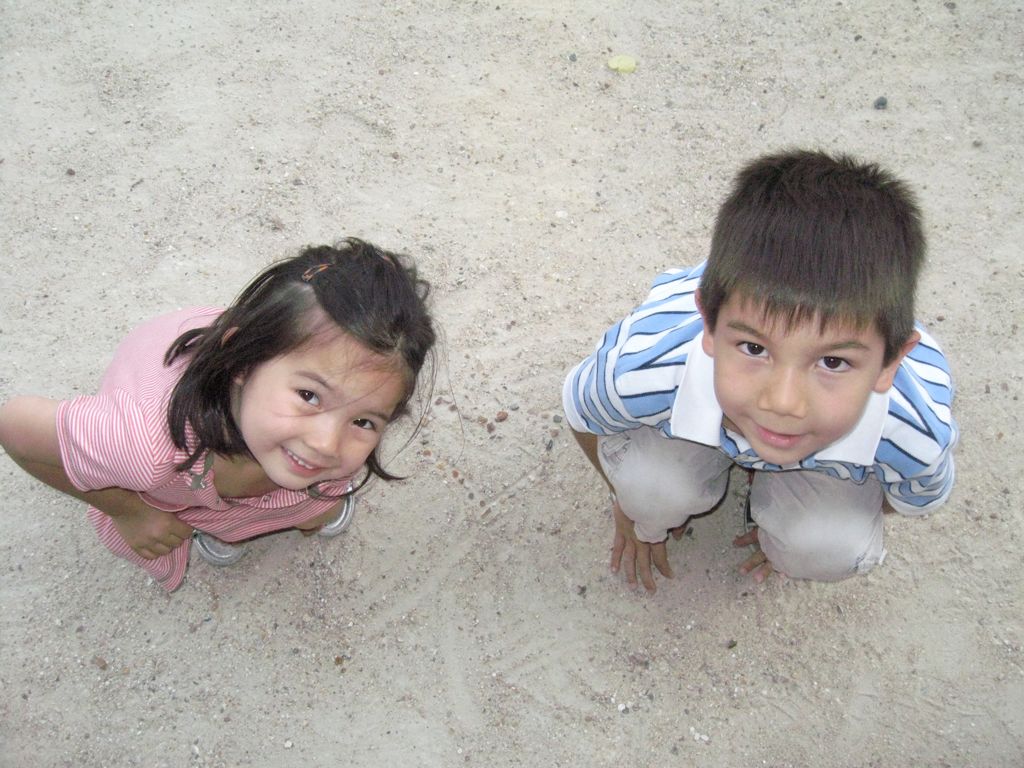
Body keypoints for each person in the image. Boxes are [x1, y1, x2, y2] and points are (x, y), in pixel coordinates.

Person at [563, 149, 957, 592]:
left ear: (890, 362)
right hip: (693, 370)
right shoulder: (642, 370)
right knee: (649, 491)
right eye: (754, 348)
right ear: (709, 326)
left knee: (831, 545)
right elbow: (581, 412)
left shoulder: (914, 434)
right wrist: (622, 499)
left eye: (832, 362)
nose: (783, 402)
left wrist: (814, 511)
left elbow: (909, 497)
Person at [0, 238, 436, 591]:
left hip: (257, 418)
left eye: (364, 421)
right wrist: (126, 509)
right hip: (176, 453)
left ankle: (254, 520)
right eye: (309, 396)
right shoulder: (143, 444)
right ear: (241, 360)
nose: (327, 442)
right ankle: (218, 523)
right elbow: (13, 425)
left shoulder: (299, 423)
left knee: (307, 486)